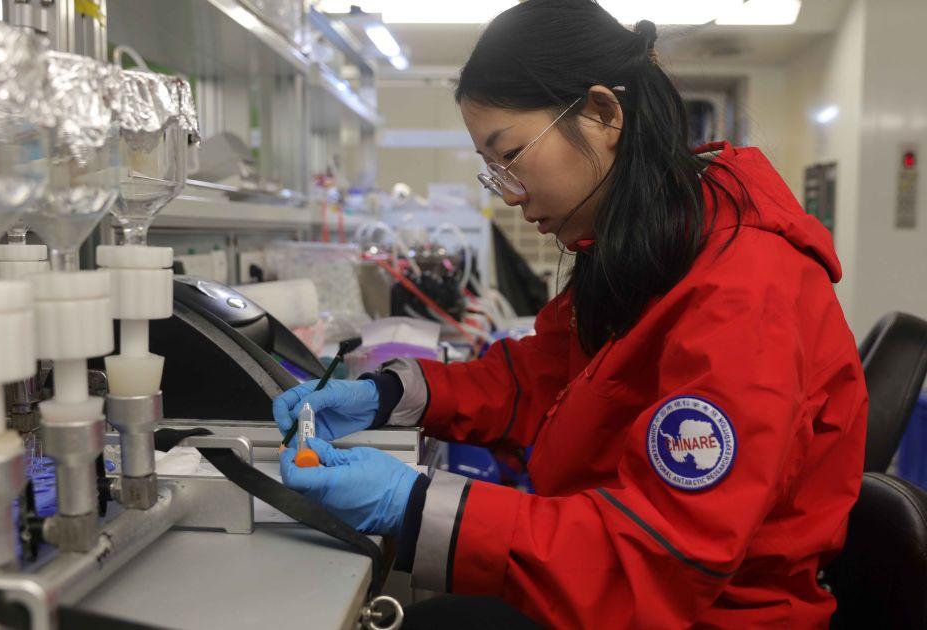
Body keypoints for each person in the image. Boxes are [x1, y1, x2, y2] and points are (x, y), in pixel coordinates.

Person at [275, 1, 868, 627]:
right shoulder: (660, 241)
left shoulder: (744, 290)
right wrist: (396, 394)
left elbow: (659, 558)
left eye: (510, 155)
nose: (509, 194)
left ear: (602, 113)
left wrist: (415, 504)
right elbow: (548, 376)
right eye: (492, 171)